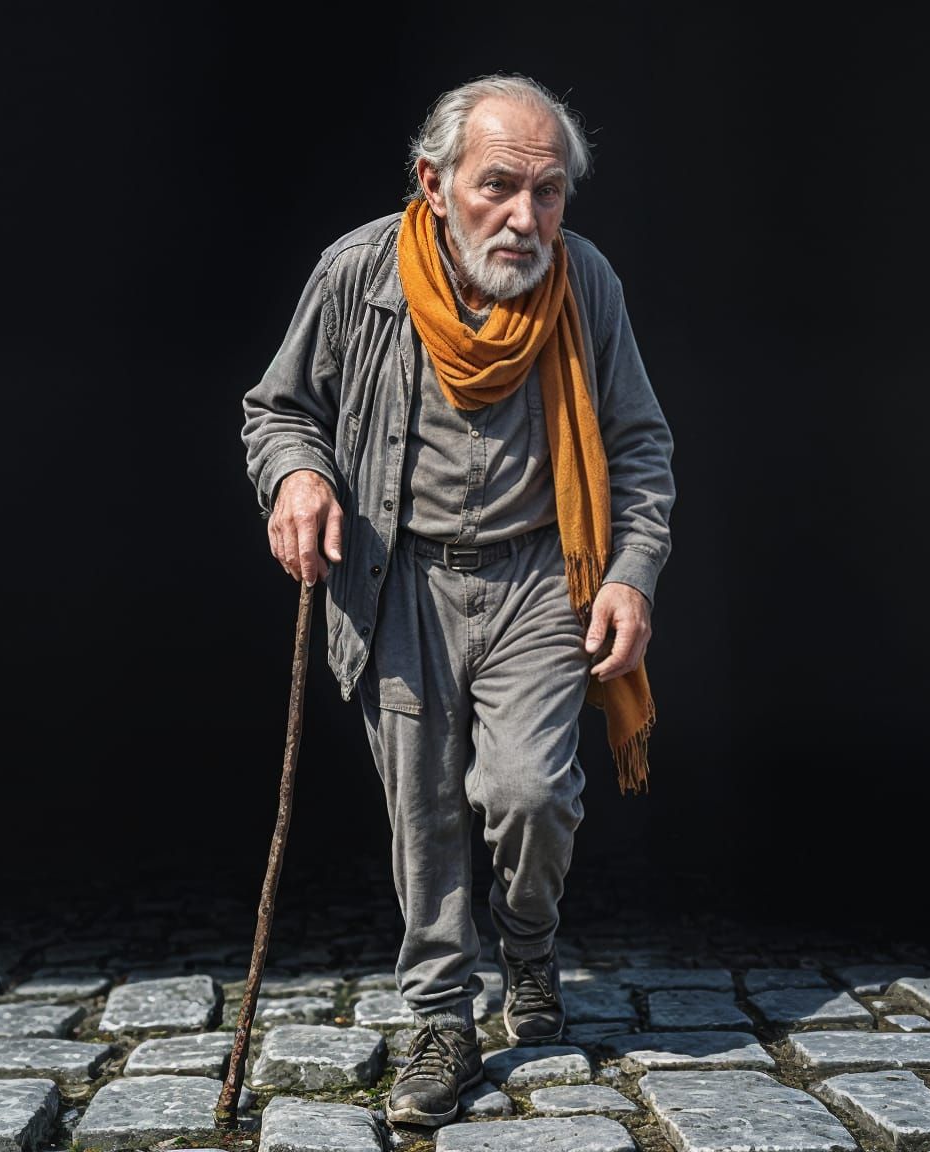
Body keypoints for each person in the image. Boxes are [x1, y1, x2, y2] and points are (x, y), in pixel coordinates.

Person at [239, 72, 675, 1127]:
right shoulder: (358, 274)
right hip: (400, 577)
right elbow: (279, 410)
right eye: (499, 187)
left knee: (532, 793)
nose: (526, 218)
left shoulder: (586, 287)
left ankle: (528, 948)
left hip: (537, 577)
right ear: (433, 182)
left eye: (550, 191)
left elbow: (640, 447)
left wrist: (629, 573)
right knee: (426, 814)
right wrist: (298, 476)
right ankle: (439, 1016)